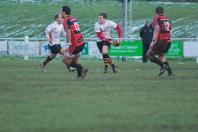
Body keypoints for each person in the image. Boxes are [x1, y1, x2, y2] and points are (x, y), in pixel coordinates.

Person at [61, 6, 88, 79]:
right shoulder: (73, 18)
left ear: (64, 12)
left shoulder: (65, 21)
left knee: (65, 60)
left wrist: (67, 45)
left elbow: (68, 33)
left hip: (75, 44)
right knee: (74, 61)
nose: (60, 13)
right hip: (82, 42)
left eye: (61, 11)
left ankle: (82, 69)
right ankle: (79, 75)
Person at [146, 6, 174, 76]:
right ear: (163, 12)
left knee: (149, 55)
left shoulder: (157, 18)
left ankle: (163, 66)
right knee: (161, 56)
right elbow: (171, 31)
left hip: (161, 41)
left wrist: (153, 41)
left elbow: (157, 28)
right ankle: (170, 72)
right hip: (168, 41)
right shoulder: (167, 19)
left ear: (156, 12)